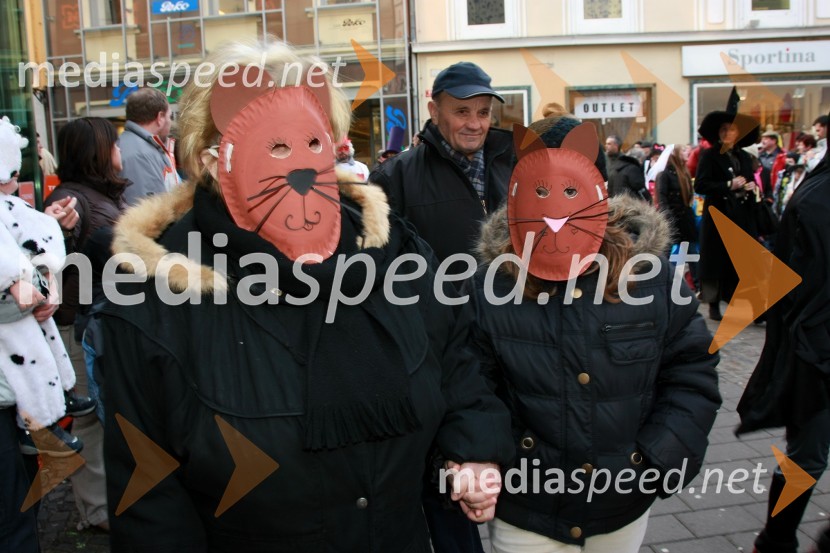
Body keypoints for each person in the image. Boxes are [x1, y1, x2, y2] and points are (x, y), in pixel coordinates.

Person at [99, 39, 514, 553]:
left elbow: (456, 360)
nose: (300, 165)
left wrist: (473, 448)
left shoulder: (392, 250)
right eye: (275, 146)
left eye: (313, 141)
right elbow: (150, 503)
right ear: (213, 160)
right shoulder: (157, 298)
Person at [467, 114, 721, 553]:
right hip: (527, 510)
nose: (555, 212)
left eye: (571, 190)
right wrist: (486, 459)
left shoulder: (652, 280)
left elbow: (691, 371)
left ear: (599, 189)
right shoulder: (491, 286)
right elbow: (470, 383)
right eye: (540, 192)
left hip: (620, 505)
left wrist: (654, 458)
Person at [736, 117, 830, 553]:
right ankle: (775, 540)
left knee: (807, 453)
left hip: (812, 344)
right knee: (807, 454)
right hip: (816, 349)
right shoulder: (817, 198)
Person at [44, 117, 127, 532]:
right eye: (114, 144)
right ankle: (96, 510)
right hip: (78, 324)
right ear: (96, 152)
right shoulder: (70, 199)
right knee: (88, 417)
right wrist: (62, 230)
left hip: (98, 319)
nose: (120, 151)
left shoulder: (99, 194)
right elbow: (55, 255)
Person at [0, 117, 97, 457]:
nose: (13, 184)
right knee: (31, 354)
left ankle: (60, 399)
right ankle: (40, 422)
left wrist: (52, 232)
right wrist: (17, 284)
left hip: (23, 317)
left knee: (45, 346)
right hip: (11, 340)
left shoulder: (10, 205)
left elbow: (28, 235)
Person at [369, 61, 513, 264]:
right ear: (434, 112)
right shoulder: (393, 178)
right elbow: (377, 261)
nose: (474, 125)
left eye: (483, 113)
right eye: (462, 112)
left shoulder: (515, 165)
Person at [694, 87, 761, 321]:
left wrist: (750, 187)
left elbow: (751, 180)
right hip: (719, 216)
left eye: (730, 129)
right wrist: (728, 185)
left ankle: (752, 306)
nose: (726, 133)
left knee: (745, 262)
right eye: (723, 129)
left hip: (741, 216)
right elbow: (701, 185)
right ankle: (713, 305)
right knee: (716, 262)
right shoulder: (710, 156)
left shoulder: (743, 157)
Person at [118, 87, 177, 205]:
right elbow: (151, 210)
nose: (170, 122)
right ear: (160, 118)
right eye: (169, 116)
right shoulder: (140, 155)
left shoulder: (135, 146)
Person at [606, 135, 650, 202]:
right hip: (630, 204)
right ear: (638, 158)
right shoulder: (633, 169)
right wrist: (649, 201)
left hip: (616, 204)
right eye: (641, 160)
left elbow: (609, 190)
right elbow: (641, 189)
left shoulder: (615, 167)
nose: (641, 163)